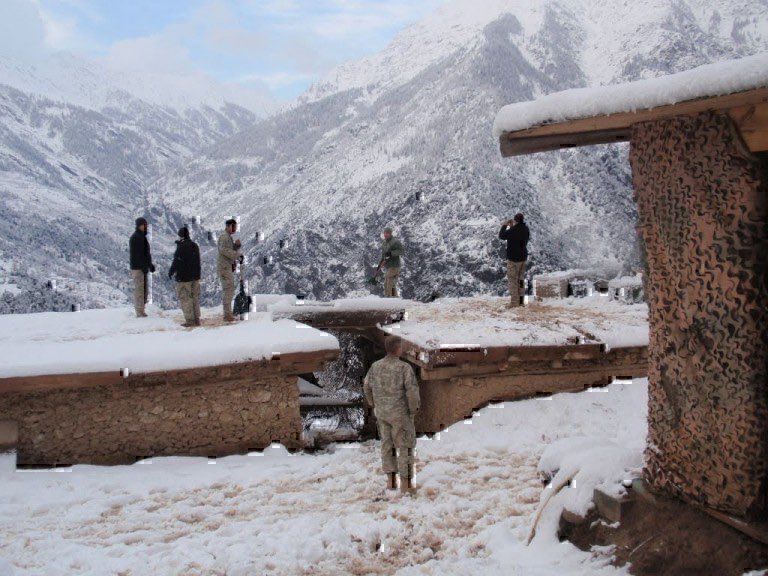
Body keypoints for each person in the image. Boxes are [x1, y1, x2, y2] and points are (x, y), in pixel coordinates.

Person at [363, 336, 421, 494]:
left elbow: (366, 386)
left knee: (386, 445)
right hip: (400, 414)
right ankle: (406, 484)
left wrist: (373, 403)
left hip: (382, 413)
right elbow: (412, 391)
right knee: (405, 447)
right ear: (398, 349)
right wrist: (413, 408)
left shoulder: (375, 366)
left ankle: (390, 481)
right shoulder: (404, 368)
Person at [168, 226, 201, 327]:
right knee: (194, 297)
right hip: (195, 277)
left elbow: (177, 261)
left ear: (181, 236)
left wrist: (171, 271)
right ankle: (197, 319)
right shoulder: (194, 245)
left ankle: (190, 321)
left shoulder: (181, 247)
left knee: (186, 298)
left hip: (184, 277)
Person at [499, 213, 530, 308]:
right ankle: (522, 301)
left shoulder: (512, 230)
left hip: (513, 259)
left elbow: (502, 236)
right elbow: (517, 236)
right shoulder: (526, 229)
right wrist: (512, 227)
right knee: (521, 280)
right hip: (523, 258)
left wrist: (504, 225)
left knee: (513, 280)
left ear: (515, 220)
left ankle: (514, 303)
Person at [129, 217, 155, 317]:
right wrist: (146, 265)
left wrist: (149, 265)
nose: (145, 226)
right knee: (140, 290)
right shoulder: (137, 237)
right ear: (139, 225)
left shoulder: (140, 237)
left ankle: (141, 310)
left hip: (141, 267)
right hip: (138, 267)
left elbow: (145, 254)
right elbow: (140, 254)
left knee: (143, 290)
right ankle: (139, 312)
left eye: (145, 225)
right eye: (144, 225)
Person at [218, 219, 241, 321]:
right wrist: (237, 255)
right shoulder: (224, 237)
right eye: (233, 226)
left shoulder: (228, 237)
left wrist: (236, 246)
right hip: (224, 267)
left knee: (229, 289)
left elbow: (229, 250)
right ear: (228, 226)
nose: (235, 229)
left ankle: (228, 313)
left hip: (227, 266)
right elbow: (223, 250)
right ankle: (227, 315)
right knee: (228, 289)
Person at [380, 227, 404, 298]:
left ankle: (390, 298)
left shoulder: (395, 242)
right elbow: (384, 254)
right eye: (384, 233)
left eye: (387, 233)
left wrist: (391, 253)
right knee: (389, 283)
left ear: (390, 233)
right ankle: (393, 298)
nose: (385, 234)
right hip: (389, 266)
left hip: (395, 266)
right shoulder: (384, 243)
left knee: (389, 281)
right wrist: (381, 262)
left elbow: (401, 251)